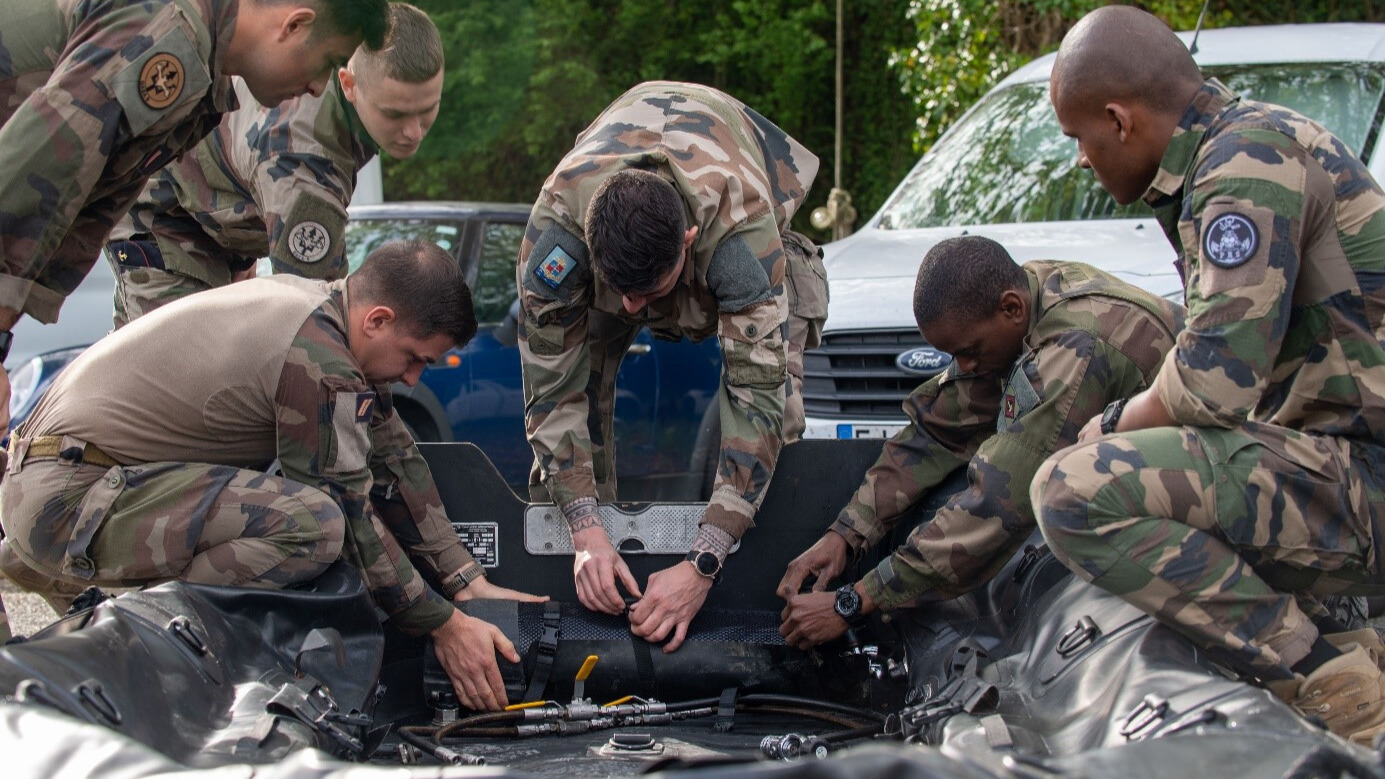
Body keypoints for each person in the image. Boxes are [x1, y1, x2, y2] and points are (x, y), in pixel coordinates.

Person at [1031, 5, 1385, 746]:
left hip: (1369, 480)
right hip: (1352, 465)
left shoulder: (1245, 164)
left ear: (1118, 119)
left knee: (1070, 490)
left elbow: (1212, 384)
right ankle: (1344, 648)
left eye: (1077, 138)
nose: (1079, 161)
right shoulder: (1231, 151)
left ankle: (1333, 682)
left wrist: (1113, 421)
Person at [0, 240, 543, 710]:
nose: (413, 376)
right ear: (377, 319)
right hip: (68, 499)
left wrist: (467, 583)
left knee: (313, 516)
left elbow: (397, 459)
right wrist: (441, 624)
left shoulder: (325, 310)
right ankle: (145, 631)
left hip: (73, 480)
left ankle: (53, 570)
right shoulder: (319, 357)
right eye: (413, 358)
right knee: (313, 524)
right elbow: (350, 513)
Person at [517, 81, 828, 652]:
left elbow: (755, 402)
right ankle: (588, 581)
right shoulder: (557, 235)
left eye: (650, 293)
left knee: (780, 410)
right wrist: (585, 529)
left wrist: (705, 560)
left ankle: (763, 588)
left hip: (729, 199)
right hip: (615, 230)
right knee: (575, 405)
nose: (636, 311)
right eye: (622, 293)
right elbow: (550, 390)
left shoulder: (740, 236)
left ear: (687, 241)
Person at [0, 0, 389, 431]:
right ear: (295, 24)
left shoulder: (204, 67)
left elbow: (94, 193)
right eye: (328, 62)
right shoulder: (172, 33)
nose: (319, 88)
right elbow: (35, 172)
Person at [776, 236, 1182, 648]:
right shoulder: (1024, 298)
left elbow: (995, 507)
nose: (965, 366)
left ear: (1011, 308)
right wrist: (845, 533)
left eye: (969, 352)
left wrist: (854, 601)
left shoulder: (1074, 351)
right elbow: (934, 433)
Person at [106, 2, 445, 326]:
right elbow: (315, 316)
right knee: (179, 370)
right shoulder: (304, 160)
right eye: (395, 114)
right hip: (163, 221)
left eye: (428, 109)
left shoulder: (341, 88)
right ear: (348, 85)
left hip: (217, 230)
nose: (413, 132)